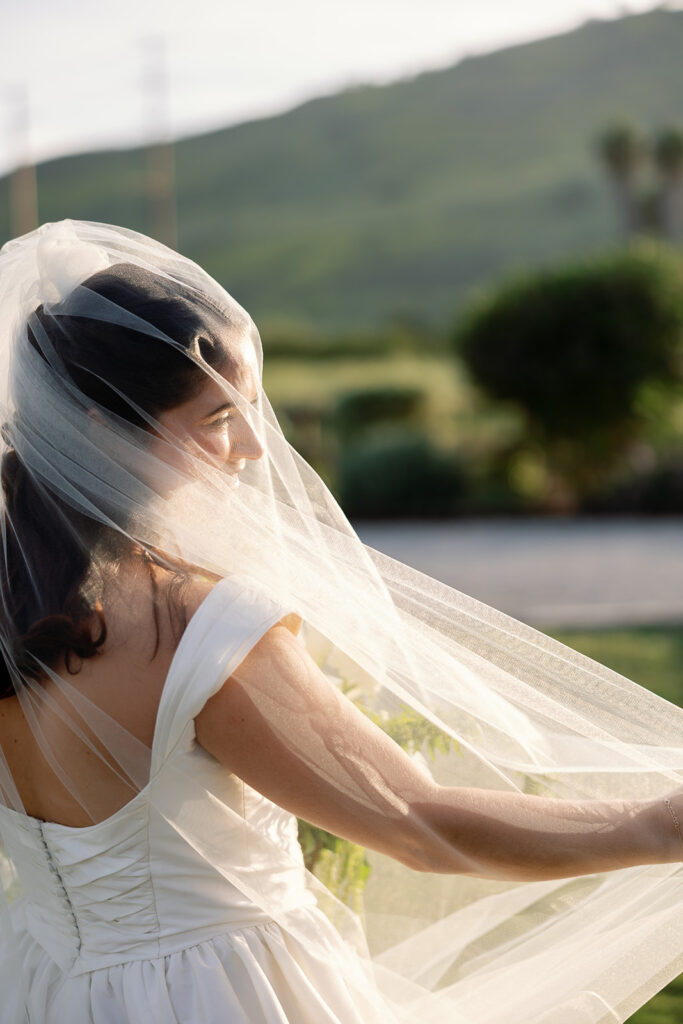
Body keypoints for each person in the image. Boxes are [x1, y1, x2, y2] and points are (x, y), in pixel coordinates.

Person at [0, 220, 681, 1024]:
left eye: (249, 409)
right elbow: (420, 824)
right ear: (104, 430)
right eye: (217, 418)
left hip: (45, 987)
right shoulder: (195, 627)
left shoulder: (17, 610)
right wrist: (654, 826)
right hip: (228, 994)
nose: (253, 447)